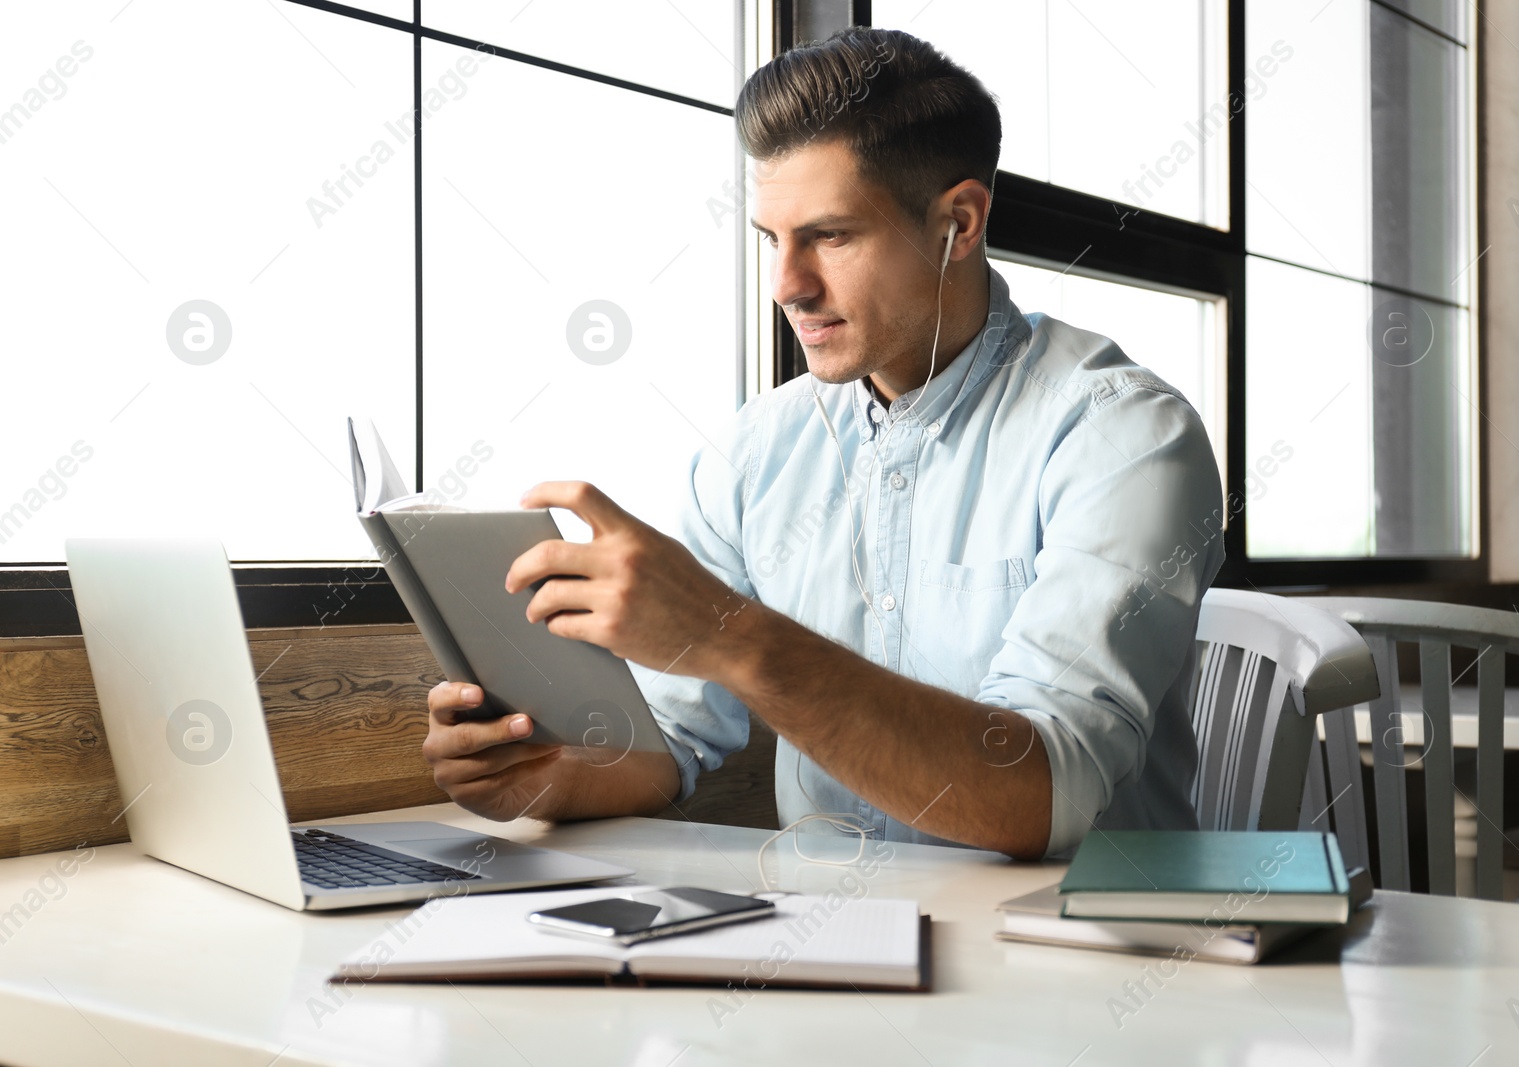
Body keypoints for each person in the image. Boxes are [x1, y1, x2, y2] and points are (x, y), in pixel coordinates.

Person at [421, 27, 1224, 861]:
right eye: (774, 239)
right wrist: (542, 772)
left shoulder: (1124, 435)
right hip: (816, 953)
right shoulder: (754, 454)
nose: (787, 286)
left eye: (831, 235)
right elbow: (669, 745)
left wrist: (730, 633)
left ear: (959, 222)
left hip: (1079, 958)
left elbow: (1046, 794)